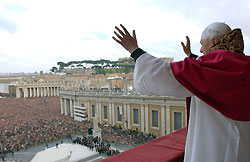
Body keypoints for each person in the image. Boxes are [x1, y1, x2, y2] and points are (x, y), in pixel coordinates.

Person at [112, 23, 250, 162]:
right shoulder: (243, 63)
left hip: (217, 146)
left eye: (202, 44)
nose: (201, 50)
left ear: (215, 41)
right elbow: (209, 72)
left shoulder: (211, 66)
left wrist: (134, 50)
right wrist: (191, 55)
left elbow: (163, 74)